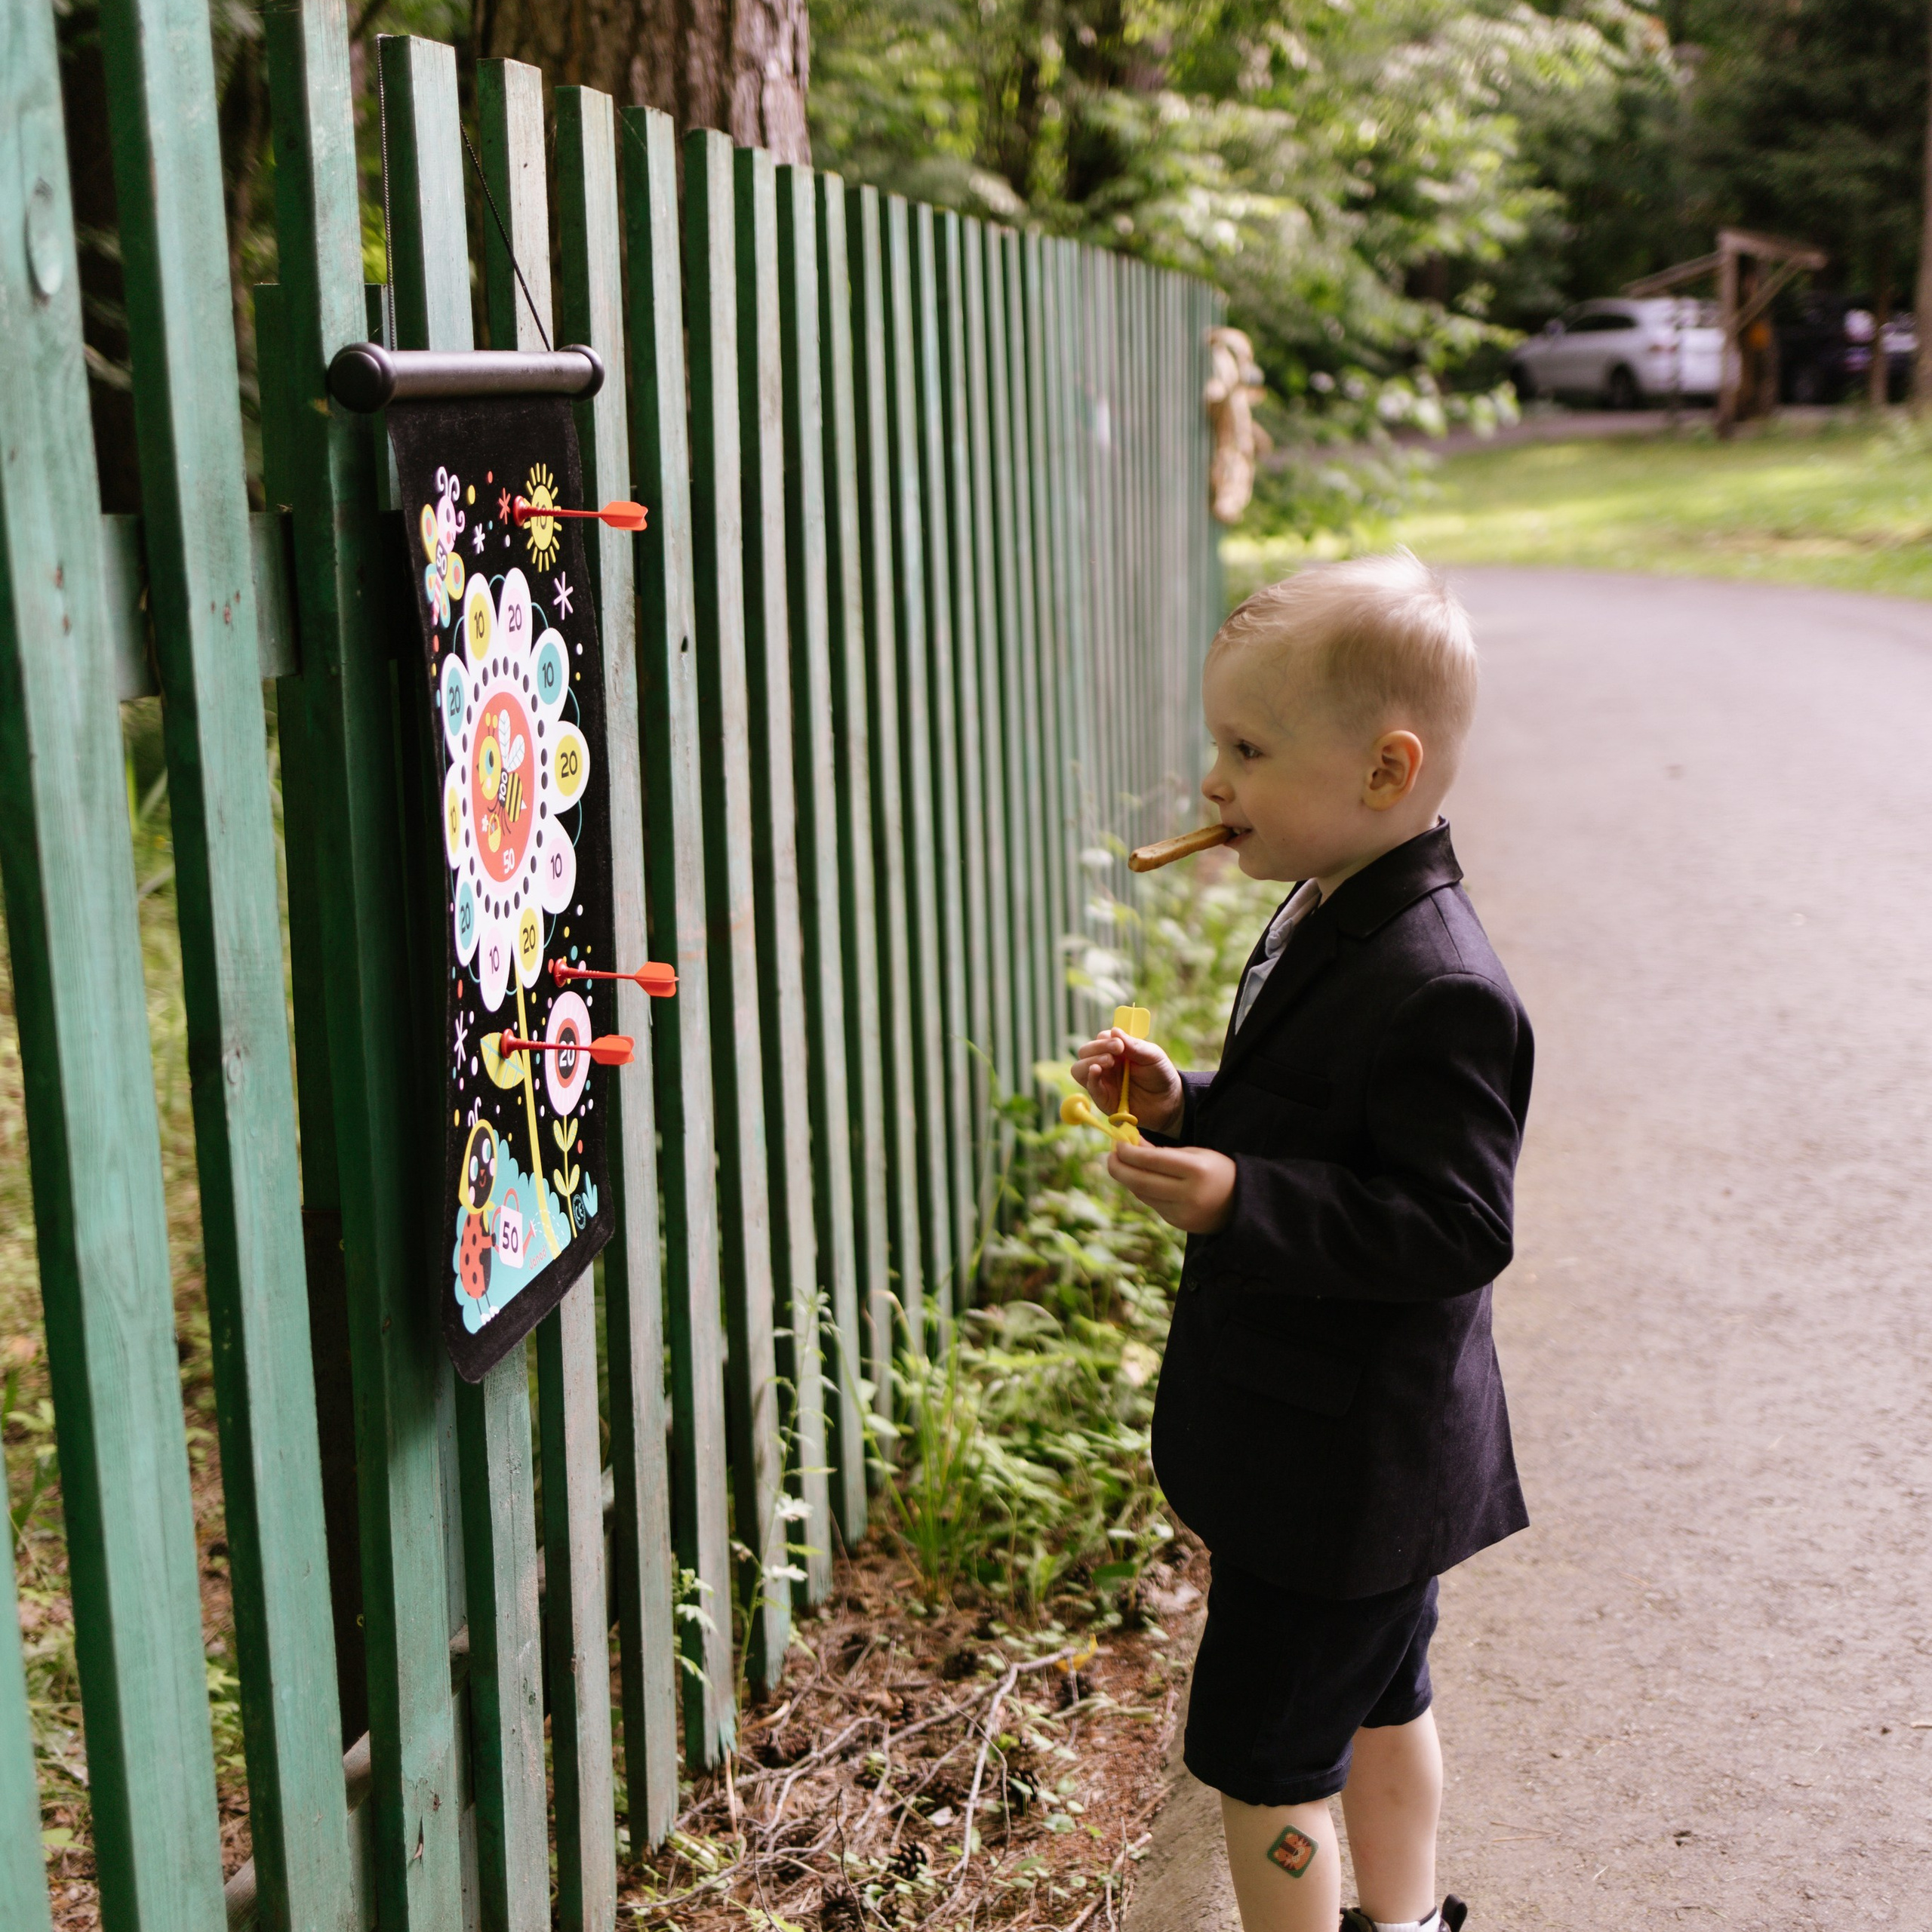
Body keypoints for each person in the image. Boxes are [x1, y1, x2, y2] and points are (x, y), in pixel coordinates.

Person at [1072, 552, 1533, 1932]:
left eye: (1249, 749)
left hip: (1345, 1468)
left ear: (1387, 771)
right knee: (1384, 1700)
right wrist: (1189, 1102)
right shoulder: (1339, 898)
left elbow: (1458, 1223)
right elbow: (1320, 1122)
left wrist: (1239, 1200)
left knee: (1268, 1767)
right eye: (1222, 742)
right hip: (1352, 1463)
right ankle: (1402, 1922)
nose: (1215, 783)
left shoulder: (1442, 985)